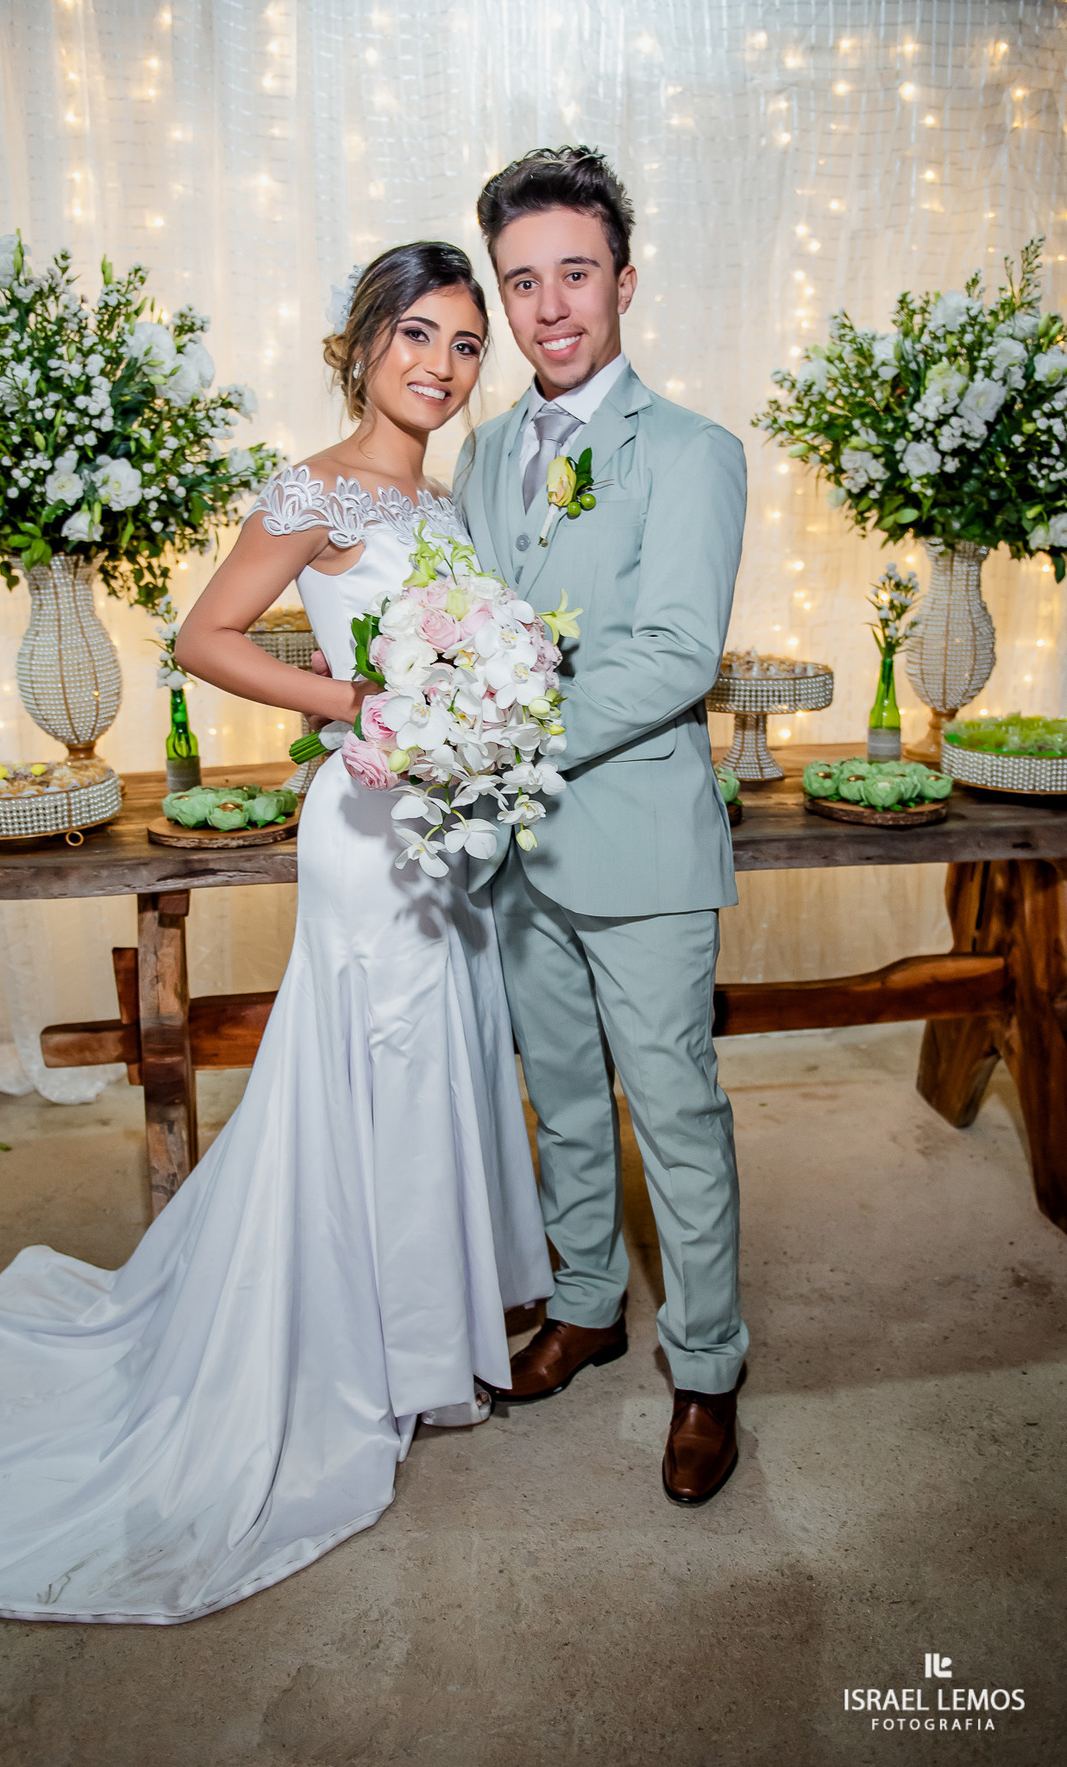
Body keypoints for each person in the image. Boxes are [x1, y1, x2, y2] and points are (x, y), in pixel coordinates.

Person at [0, 242, 552, 1625]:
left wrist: (479, 710)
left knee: (443, 1048)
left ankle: (435, 1322)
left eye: (466, 343)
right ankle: (381, 1348)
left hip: (447, 819)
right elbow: (205, 637)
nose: (441, 365)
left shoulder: (453, 495)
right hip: (370, 822)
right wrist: (360, 703)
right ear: (362, 342)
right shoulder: (315, 488)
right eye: (417, 334)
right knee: (380, 1054)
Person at [455, 147, 750, 1506]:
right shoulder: (483, 451)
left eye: (575, 273)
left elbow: (678, 654)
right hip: (516, 848)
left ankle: (707, 1366)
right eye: (522, 282)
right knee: (563, 1096)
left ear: (625, 282)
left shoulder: (692, 452)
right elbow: (464, 624)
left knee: (674, 1111)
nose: (550, 306)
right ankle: (587, 1302)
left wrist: (500, 737)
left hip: (639, 847)